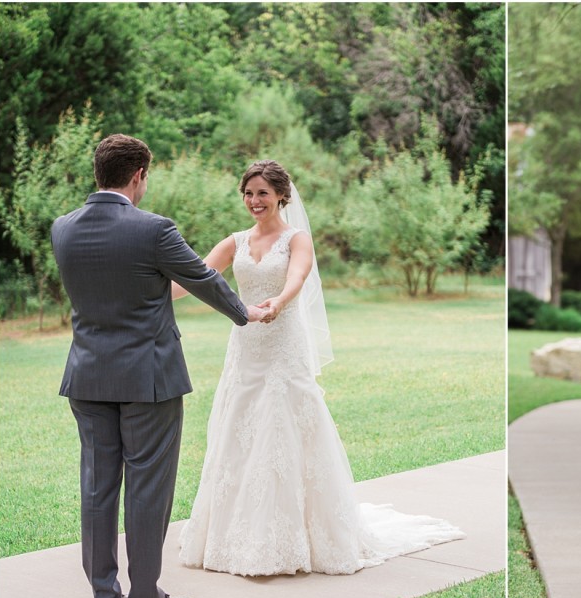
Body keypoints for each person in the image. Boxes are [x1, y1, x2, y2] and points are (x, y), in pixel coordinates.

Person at [175, 160, 464, 576]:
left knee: (280, 430)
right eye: (248, 193)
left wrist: (279, 301)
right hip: (245, 350)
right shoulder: (234, 241)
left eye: (262, 193)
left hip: (282, 347)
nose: (254, 201)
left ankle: (286, 540)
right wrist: (145, 293)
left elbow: (297, 276)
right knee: (238, 430)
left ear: (281, 196)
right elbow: (192, 279)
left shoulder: (297, 239)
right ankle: (234, 536)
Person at [53, 134, 265, 598]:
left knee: (96, 487)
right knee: (148, 487)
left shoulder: (62, 229)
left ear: (98, 173)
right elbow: (202, 277)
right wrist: (244, 312)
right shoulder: (154, 230)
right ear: (139, 176)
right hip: (148, 378)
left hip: (86, 376)